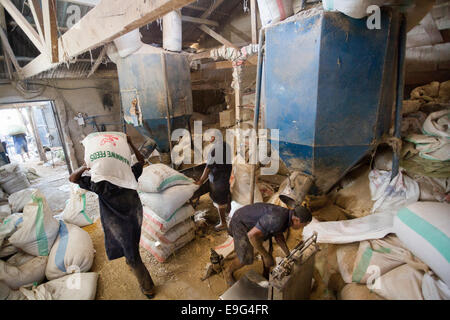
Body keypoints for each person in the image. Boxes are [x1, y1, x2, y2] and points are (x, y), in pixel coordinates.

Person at [69, 134, 156, 299]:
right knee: (129, 245)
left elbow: (73, 178)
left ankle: (148, 288)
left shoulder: (99, 185)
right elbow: (141, 161)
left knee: (132, 256)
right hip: (135, 216)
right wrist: (129, 142)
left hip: (118, 223)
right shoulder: (128, 175)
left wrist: (84, 167)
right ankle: (131, 260)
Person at [225, 202, 312, 286]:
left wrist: (288, 254)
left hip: (256, 223)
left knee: (267, 250)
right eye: (303, 225)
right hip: (240, 222)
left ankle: (265, 275)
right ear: (297, 220)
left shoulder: (286, 216)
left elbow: (278, 235)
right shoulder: (277, 219)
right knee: (245, 257)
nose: (302, 228)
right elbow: (251, 235)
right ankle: (228, 272)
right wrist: (265, 256)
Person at [195, 136, 233, 231]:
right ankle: (229, 213)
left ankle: (223, 223)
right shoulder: (226, 145)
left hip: (218, 179)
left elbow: (208, 168)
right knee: (227, 196)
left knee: (219, 203)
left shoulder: (214, 150)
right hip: (227, 176)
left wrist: (200, 181)